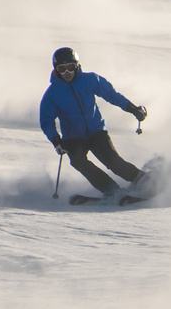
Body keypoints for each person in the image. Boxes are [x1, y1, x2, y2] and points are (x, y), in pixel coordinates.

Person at [39, 47, 150, 199]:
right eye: (62, 69)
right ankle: (111, 190)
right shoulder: (52, 94)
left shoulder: (89, 80)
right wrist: (55, 140)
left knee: (112, 161)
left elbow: (111, 95)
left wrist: (132, 109)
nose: (67, 73)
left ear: (77, 66)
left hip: (96, 131)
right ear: (56, 70)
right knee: (78, 161)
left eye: (70, 68)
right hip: (73, 137)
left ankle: (143, 180)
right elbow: (46, 122)